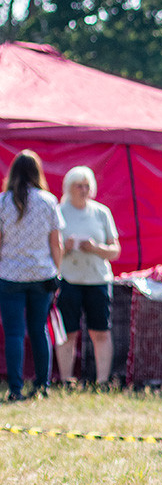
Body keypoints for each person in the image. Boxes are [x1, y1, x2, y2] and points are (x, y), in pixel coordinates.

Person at [0, 150, 64, 401]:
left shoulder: (3, 202)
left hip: (10, 276)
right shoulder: (48, 201)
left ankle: (15, 388)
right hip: (41, 275)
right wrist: (57, 272)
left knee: (14, 333)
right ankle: (43, 385)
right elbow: (56, 243)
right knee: (39, 330)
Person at [54, 166, 121, 387]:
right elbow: (50, 252)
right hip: (69, 280)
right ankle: (66, 380)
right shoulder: (59, 212)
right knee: (68, 332)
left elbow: (115, 250)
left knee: (100, 331)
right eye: (78, 186)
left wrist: (95, 248)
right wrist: (67, 247)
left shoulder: (101, 212)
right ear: (69, 188)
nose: (83, 190)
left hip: (98, 280)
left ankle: (102, 381)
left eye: (86, 186)